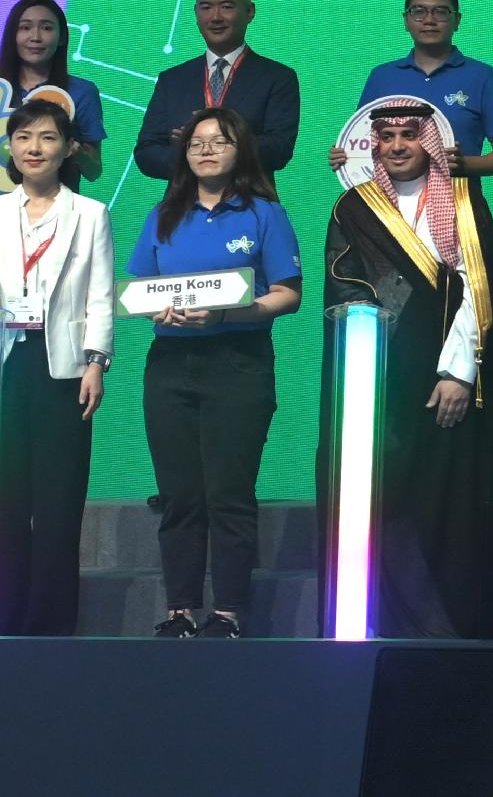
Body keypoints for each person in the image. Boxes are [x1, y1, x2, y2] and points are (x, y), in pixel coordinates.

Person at [323, 98, 493, 639]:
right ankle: (389, 621)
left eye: (409, 136)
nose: (396, 147)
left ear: (428, 142)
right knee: (387, 506)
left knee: (452, 508)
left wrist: (457, 374)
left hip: (452, 383)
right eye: (385, 139)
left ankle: (455, 628)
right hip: (383, 390)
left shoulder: (462, 201)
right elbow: (347, 290)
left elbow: (479, 294)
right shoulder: (355, 209)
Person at [132, 108, 301, 638]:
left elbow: (289, 294)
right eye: (196, 143)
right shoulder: (162, 215)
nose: (206, 150)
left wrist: (231, 311)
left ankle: (228, 610)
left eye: (219, 141)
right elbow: (138, 291)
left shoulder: (264, 213)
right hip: (170, 365)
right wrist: (154, 308)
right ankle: (179, 608)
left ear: (240, 151)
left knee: (228, 493)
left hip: (239, 363)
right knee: (180, 493)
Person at [0, 98, 110, 635]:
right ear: (10, 146)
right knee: (3, 502)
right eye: (24, 138)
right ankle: (0, 620)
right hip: (3, 363)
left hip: (64, 369)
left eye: (47, 138)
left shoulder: (90, 214)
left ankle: (50, 627)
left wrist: (97, 361)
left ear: (68, 148)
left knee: (58, 504)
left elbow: (100, 295)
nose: (34, 148)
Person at [133, 0, 301, 187]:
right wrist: (192, 151)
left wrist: (224, 141)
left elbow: (279, 149)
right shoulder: (172, 80)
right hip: (182, 211)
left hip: (250, 207)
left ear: (250, 12)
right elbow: (146, 153)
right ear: (196, 13)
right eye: (206, 7)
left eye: (227, 6)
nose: (216, 17)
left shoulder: (277, 77)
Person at [353, 0, 493, 179]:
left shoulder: (483, 77)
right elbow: (361, 143)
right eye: (419, 11)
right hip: (387, 206)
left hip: (460, 202)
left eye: (440, 12)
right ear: (406, 21)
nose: (429, 20)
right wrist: (346, 156)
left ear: (457, 20)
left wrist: (464, 165)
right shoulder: (381, 77)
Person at [0, 0, 106, 184]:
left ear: (62, 37)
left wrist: (77, 152)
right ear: (12, 36)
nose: (35, 37)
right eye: (25, 28)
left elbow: (94, 171)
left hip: (59, 209)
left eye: (46, 28)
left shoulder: (82, 92)